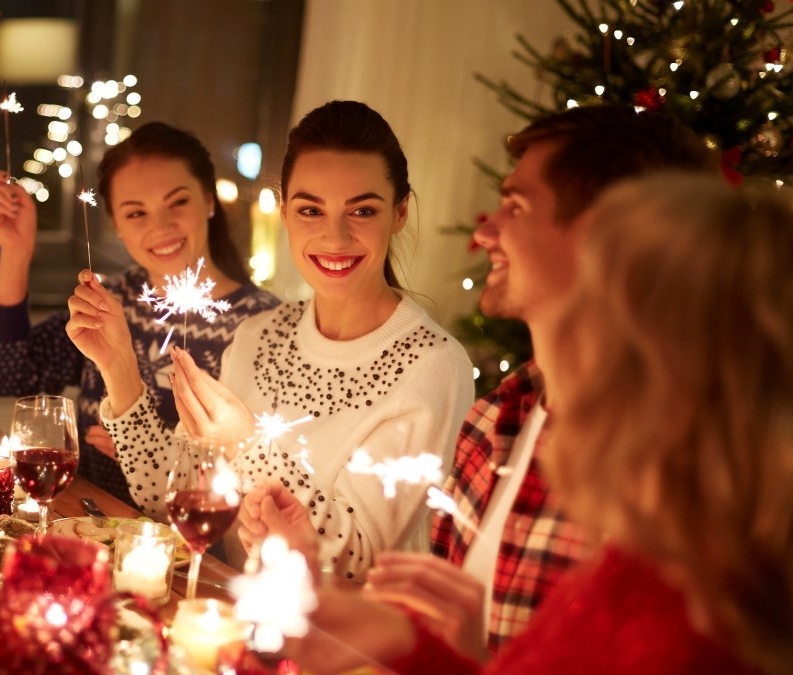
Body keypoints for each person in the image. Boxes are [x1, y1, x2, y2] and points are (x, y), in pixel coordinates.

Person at [246, 105, 716, 660]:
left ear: (606, 236)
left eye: (516, 207)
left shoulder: (683, 474)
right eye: (310, 208)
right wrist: (313, 571)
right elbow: (457, 652)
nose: (486, 231)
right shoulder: (497, 422)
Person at [287, 173, 789, 675]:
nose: (563, 335)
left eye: (592, 303)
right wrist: (421, 647)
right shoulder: (648, 548)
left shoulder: (685, 612)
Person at [68, 100, 475, 581]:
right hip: (233, 607)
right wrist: (119, 368)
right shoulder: (260, 333)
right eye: (311, 210)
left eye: (362, 210)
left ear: (400, 212)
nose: (335, 237)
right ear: (284, 212)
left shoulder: (431, 365)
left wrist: (246, 445)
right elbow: (170, 496)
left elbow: (355, 564)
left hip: (335, 626)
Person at [0, 121, 279, 507]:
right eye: (136, 213)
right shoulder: (110, 301)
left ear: (208, 201)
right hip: (89, 524)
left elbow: (263, 475)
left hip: (188, 536)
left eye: (177, 202)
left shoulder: (263, 325)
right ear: (116, 225)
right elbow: (4, 374)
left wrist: (145, 450)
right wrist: (16, 250)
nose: (161, 226)